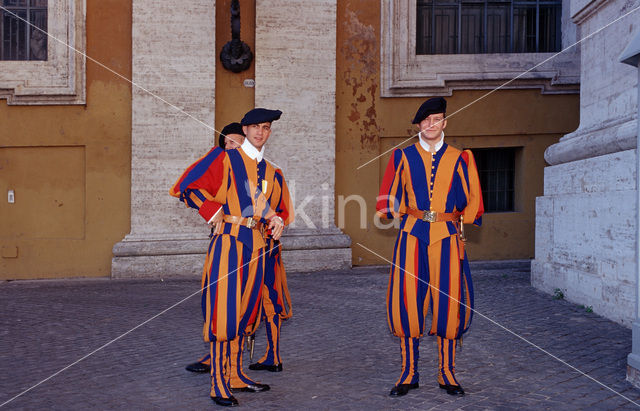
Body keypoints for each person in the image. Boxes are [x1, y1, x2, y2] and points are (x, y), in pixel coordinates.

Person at [171, 109, 294, 407]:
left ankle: (236, 374)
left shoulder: (264, 168)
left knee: (245, 314)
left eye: (266, 128)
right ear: (245, 129)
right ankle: (218, 384)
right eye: (255, 127)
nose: (260, 132)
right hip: (229, 242)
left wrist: (274, 219)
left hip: (257, 245)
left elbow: (260, 202)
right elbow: (186, 186)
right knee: (223, 313)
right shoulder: (224, 156)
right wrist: (210, 209)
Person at [376, 97, 483, 398]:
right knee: (407, 300)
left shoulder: (461, 157)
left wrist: (466, 217)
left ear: (444, 122)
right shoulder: (403, 157)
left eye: (436, 119)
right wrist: (392, 211)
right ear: (419, 126)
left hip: (447, 235)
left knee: (449, 302)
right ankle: (409, 372)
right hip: (411, 234)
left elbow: (472, 198)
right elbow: (388, 198)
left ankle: (446, 371)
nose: (431, 125)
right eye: (425, 121)